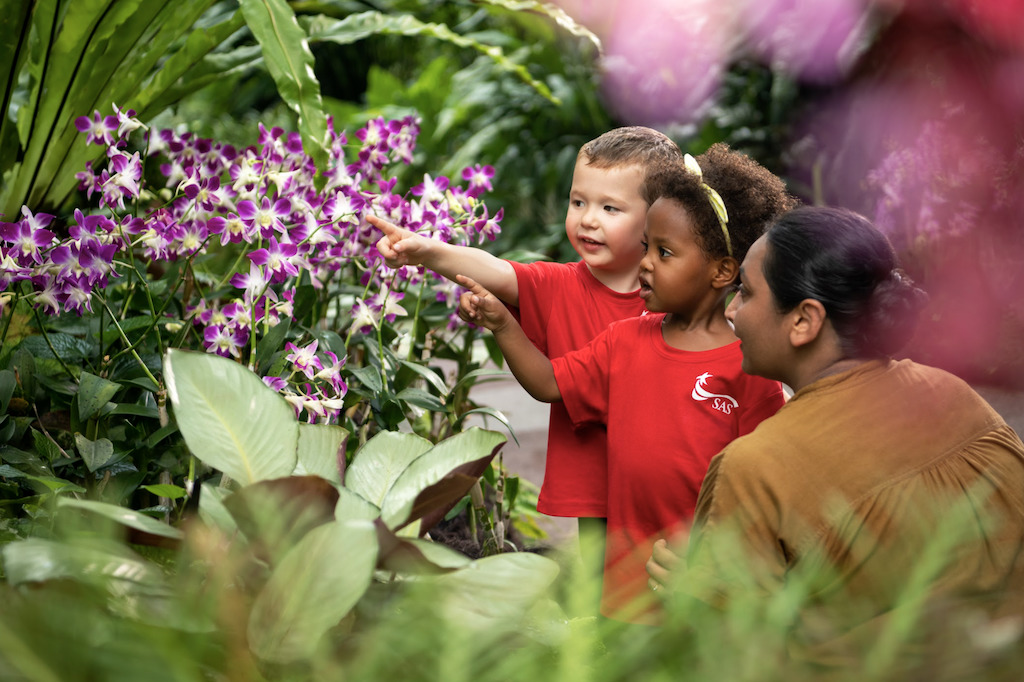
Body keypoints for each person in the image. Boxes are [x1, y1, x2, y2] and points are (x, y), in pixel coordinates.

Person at [646, 206, 1024, 667]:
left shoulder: (755, 467)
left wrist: (695, 597)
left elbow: (735, 660)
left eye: (745, 291)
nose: (731, 311)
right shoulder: (954, 395)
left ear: (804, 320)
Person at [457, 144, 797, 624]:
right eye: (645, 248)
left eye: (664, 252)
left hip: (703, 579)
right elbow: (550, 383)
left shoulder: (748, 364)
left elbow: (763, 480)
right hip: (624, 580)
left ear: (722, 270)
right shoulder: (624, 340)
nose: (645, 264)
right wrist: (502, 324)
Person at [369, 127, 683, 597]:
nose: (588, 220)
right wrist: (426, 250)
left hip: (668, 470)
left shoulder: (678, 293)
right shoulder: (559, 286)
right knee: (607, 580)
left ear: (657, 218)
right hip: (598, 474)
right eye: (578, 202)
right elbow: (496, 270)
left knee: (673, 572)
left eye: (610, 208)